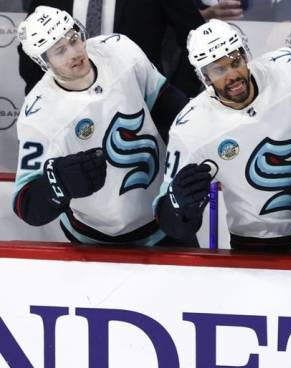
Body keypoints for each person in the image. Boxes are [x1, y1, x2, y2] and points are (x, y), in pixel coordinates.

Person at [155, 19, 291, 251]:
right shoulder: (190, 128)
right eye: (219, 69)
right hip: (258, 242)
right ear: (204, 77)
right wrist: (180, 207)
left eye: (235, 61)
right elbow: (168, 215)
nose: (233, 75)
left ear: (245, 55)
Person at [13, 6, 189, 246]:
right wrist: (57, 184)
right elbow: (27, 204)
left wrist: (194, 148)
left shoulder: (120, 50)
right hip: (92, 239)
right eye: (60, 51)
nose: (74, 53)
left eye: (74, 40)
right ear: (44, 61)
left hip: (164, 221)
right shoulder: (39, 114)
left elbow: (168, 107)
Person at [19, 0, 206, 97]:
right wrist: (46, 98)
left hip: (139, 106)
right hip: (66, 108)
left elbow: (195, 35)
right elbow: (30, 45)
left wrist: (177, 95)